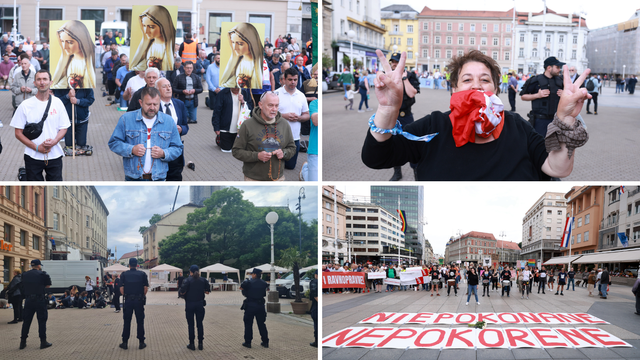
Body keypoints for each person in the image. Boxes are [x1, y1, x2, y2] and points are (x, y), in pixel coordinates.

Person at [363, 50, 590, 181]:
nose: (476, 86)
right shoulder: (433, 126)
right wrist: (388, 109)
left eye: (484, 80)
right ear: (454, 88)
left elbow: (558, 168)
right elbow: (376, 158)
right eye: (467, 80)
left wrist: (565, 118)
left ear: (494, 88)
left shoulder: (517, 127)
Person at [108, 86, 184, 181]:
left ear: (159, 102)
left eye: (155, 104)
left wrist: (164, 153)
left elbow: (178, 147)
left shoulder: (169, 121)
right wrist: (131, 149)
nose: (152, 108)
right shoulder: (126, 119)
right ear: (141, 103)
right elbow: (114, 143)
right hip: (133, 179)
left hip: (159, 179)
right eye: (148, 104)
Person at [11, 69, 70, 180]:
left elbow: (64, 127)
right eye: (39, 79)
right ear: (34, 83)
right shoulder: (25, 105)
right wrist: (37, 148)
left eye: (45, 79)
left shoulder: (58, 103)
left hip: (54, 154)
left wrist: (54, 141)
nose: (42, 82)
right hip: (32, 156)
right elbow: (18, 133)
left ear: (50, 82)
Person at [232, 91, 295, 181]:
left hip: (278, 178)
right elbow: (236, 151)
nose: (274, 109)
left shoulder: (284, 124)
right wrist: (257, 156)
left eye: (276, 105)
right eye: (270, 105)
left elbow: (292, 148)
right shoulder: (247, 125)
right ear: (260, 105)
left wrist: (284, 153)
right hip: (253, 179)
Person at [520, 57, 566, 137]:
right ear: (549, 68)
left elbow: (570, 97)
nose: (559, 69)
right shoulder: (535, 80)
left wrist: (564, 94)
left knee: (557, 147)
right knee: (539, 146)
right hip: (540, 121)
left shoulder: (561, 80)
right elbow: (523, 97)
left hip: (557, 120)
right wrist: (537, 95)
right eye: (557, 67)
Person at [276, 67, 310, 170]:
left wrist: (299, 118)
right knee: (275, 167)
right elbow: (267, 114)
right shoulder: (276, 94)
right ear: (284, 79)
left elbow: (307, 115)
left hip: (294, 139)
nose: (293, 82)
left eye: (295, 80)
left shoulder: (301, 96)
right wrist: (283, 116)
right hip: (276, 138)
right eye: (290, 79)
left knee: (290, 167)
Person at [156, 78, 189, 181]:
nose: (168, 88)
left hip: (175, 150)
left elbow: (186, 126)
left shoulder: (179, 104)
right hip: (159, 150)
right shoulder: (154, 106)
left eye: (169, 86)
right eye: (164, 86)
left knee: (175, 178)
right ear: (157, 90)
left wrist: (181, 129)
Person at [51, 20, 96, 89]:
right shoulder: (70, 61)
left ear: (81, 41)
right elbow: (65, 81)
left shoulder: (87, 63)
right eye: (62, 41)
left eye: (69, 42)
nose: (64, 47)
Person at [130, 5, 176, 72]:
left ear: (163, 26)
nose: (146, 31)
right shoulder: (149, 45)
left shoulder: (168, 47)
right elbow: (143, 64)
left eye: (151, 27)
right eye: (144, 26)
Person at [19, 259, 52, 349]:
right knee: (42, 321)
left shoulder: (24, 274)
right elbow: (48, 285)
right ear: (38, 266)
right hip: (40, 299)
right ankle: (43, 342)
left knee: (26, 321)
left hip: (28, 300)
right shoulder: (43, 274)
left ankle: (22, 342)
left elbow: (22, 286)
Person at [53, 86, 95, 155]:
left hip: (82, 119)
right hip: (67, 121)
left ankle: (80, 149)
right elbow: (57, 101)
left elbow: (91, 99)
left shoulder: (86, 86)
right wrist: (67, 96)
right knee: (69, 145)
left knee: (81, 144)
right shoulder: (60, 86)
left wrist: (78, 101)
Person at [220, 23, 264, 89]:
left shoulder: (258, 64)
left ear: (251, 44)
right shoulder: (239, 62)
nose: (235, 47)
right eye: (233, 42)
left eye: (240, 44)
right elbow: (233, 80)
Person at [119, 258, 149, 350]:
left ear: (129, 265)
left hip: (128, 300)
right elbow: (145, 289)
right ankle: (141, 342)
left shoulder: (124, 274)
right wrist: (139, 296)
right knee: (140, 321)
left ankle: (125, 342)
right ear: (137, 265)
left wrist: (128, 295)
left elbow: (121, 289)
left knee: (127, 321)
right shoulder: (142, 274)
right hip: (139, 300)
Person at [179, 265, 211, 351]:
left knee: (191, 325)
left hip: (190, 304)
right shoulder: (203, 280)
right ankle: (200, 344)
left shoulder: (187, 280)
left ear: (191, 272)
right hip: (200, 304)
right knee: (200, 324)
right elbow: (207, 291)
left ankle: (192, 344)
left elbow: (182, 292)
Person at [212, 87, 253, 152]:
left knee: (238, 149)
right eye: (234, 87)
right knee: (226, 149)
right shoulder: (222, 93)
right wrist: (216, 127)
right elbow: (217, 112)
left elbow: (250, 109)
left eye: (237, 87)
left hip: (239, 129)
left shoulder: (245, 93)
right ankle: (219, 140)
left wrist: (243, 102)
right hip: (225, 127)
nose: (236, 89)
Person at [240, 268, 269, 348]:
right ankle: (265, 341)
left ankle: (248, 342)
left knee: (248, 324)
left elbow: (244, 292)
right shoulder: (264, 283)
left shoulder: (249, 282)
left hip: (250, 305)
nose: (251, 275)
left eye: (252, 274)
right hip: (260, 306)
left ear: (255, 274)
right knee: (261, 324)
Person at [309, 270, 318, 347]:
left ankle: (316, 341)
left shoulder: (314, 282)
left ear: (316, 275)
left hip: (316, 305)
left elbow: (314, 294)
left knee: (316, 323)